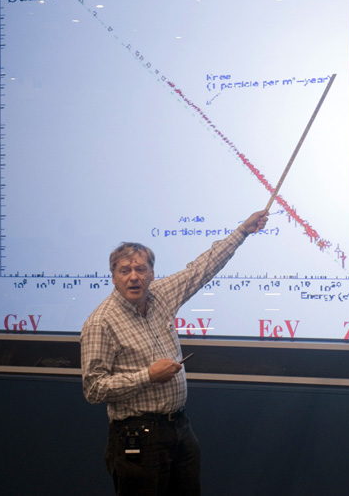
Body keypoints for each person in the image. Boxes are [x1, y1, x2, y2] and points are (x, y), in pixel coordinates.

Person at [80, 209, 269, 495]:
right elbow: (93, 389)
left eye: (140, 269)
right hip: (137, 437)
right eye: (125, 270)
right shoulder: (101, 322)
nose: (134, 277)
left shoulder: (160, 295)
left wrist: (242, 232)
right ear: (113, 277)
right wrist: (147, 376)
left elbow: (202, 268)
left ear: (151, 273)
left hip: (179, 428)